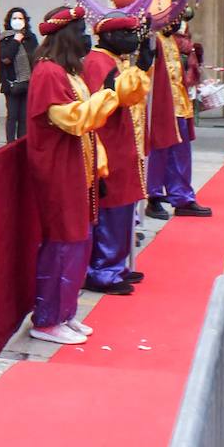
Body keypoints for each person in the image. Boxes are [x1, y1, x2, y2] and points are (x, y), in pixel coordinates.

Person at [26, 5, 121, 345]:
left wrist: (100, 167)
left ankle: (65, 312)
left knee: (79, 243)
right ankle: (47, 319)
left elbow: (88, 131)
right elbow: (73, 119)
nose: (87, 39)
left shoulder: (70, 73)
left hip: (77, 171)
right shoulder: (49, 73)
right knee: (62, 246)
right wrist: (110, 95)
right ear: (67, 36)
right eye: (81, 32)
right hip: (57, 172)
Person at [81, 15, 151, 295]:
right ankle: (103, 271)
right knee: (111, 211)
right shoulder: (99, 61)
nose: (131, 38)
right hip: (108, 147)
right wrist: (142, 67)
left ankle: (116, 266)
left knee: (122, 210)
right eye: (124, 33)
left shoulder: (114, 59)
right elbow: (121, 95)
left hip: (121, 146)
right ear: (107, 36)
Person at [146, 8, 212, 219]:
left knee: (182, 155)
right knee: (159, 153)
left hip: (180, 104)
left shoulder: (173, 40)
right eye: (173, 18)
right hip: (160, 106)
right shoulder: (152, 40)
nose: (177, 23)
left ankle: (183, 198)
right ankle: (153, 197)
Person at [0, 6, 38, 143]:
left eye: (20, 18)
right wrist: (16, 40)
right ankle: (10, 145)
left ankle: (22, 144)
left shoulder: (31, 38)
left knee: (24, 117)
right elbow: (5, 58)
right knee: (12, 116)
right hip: (11, 84)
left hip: (28, 83)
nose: (17, 21)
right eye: (14, 18)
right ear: (9, 21)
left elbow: (35, 57)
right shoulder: (4, 38)